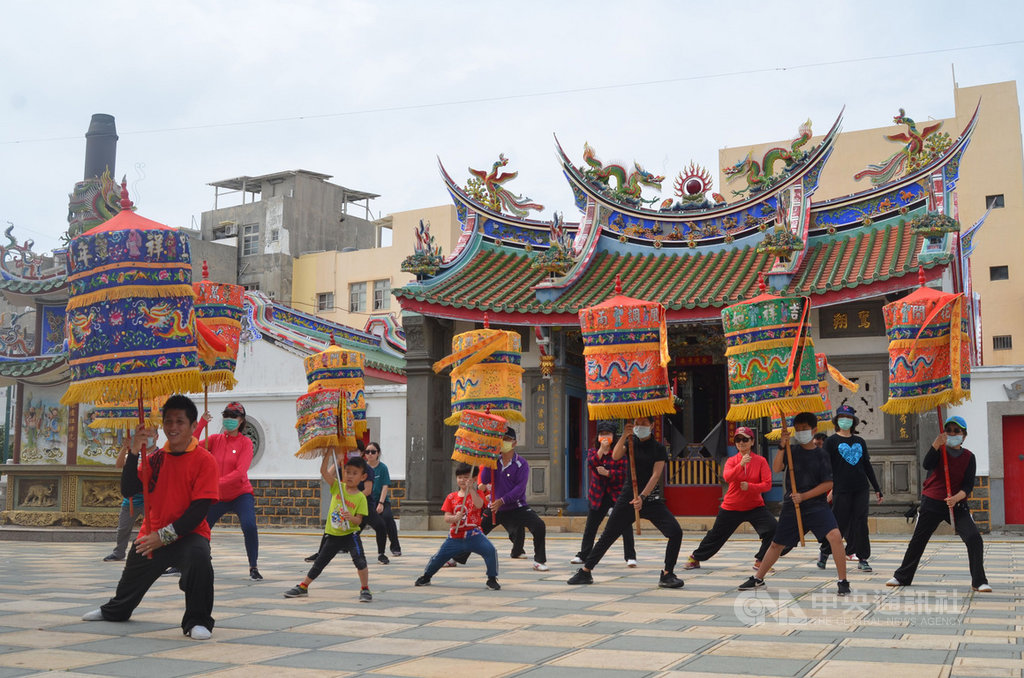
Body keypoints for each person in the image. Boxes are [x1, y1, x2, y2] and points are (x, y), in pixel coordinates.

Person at [82, 395, 220, 640]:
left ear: (192, 425)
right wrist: (134, 452)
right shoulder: (155, 459)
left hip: (189, 534)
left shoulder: (204, 460)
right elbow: (129, 489)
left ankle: (198, 620)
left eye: (180, 421)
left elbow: (199, 510)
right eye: (168, 421)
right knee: (131, 578)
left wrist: (164, 536)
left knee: (199, 558)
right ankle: (116, 610)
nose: (173, 427)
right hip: (152, 531)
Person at [737, 412, 850, 596]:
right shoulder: (792, 451)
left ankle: (843, 581)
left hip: (817, 505)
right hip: (792, 505)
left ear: (814, 430)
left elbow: (828, 484)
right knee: (776, 544)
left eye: (804, 429)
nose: (801, 432)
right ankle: (758, 578)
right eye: (797, 429)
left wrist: (804, 496)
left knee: (835, 536)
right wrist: (782, 446)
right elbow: (776, 468)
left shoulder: (822, 455)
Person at [567, 416, 685, 588]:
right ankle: (585, 571)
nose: (640, 426)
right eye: (637, 423)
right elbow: (615, 456)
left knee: (675, 532)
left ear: (652, 425)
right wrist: (624, 435)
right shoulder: (630, 443)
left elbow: (656, 476)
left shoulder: (658, 448)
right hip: (628, 497)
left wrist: (643, 497)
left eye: (644, 424)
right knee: (608, 535)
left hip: (650, 498)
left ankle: (667, 574)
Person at [887, 416, 991, 592]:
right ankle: (902, 576)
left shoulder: (969, 457)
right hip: (933, 501)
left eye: (956, 431)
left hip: (957, 504)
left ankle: (979, 581)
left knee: (974, 538)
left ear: (964, 435)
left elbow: (968, 485)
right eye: (949, 430)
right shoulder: (939, 450)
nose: (952, 434)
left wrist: (956, 498)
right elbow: (927, 464)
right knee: (919, 540)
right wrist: (935, 445)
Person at [685, 426, 789, 571]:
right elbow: (727, 477)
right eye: (738, 440)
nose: (741, 443)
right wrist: (740, 465)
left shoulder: (761, 461)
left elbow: (767, 485)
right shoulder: (731, 461)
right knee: (716, 535)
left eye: (745, 439)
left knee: (773, 529)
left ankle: (760, 560)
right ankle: (696, 557)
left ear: (752, 441)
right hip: (732, 506)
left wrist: (751, 487)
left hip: (755, 506)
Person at [285, 453, 373, 602]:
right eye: (348, 472)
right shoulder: (338, 488)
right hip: (333, 535)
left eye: (355, 473)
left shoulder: (360, 498)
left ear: (363, 477)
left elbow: (358, 520)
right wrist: (331, 458)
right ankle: (303, 586)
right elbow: (324, 472)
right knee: (320, 562)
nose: (350, 476)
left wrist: (350, 518)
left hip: (351, 535)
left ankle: (365, 588)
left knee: (360, 561)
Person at [195, 402, 262, 581]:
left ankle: (253, 566)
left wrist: (217, 482)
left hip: (240, 494)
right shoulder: (215, 440)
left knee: (249, 526)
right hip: (218, 496)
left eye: (233, 416)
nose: (229, 419)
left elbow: (240, 471)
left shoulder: (245, 443)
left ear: (241, 421)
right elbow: (191, 446)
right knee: (200, 527)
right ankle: (194, 560)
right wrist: (201, 424)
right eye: (226, 416)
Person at [817, 404, 883, 573]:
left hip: (860, 488)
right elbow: (825, 468)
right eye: (842, 418)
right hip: (841, 488)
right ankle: (825, 553)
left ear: (853, 421)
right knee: (838, 523)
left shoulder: (859, 441)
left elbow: (867, 466)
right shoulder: (831, 442)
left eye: (848, 418)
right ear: (837, 420)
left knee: (861, 523)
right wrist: (826, 488)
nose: (845, 421)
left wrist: (877, 488)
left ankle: (863, 558)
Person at [415, 463, 500, 590]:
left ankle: (492, 578)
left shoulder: (478, 494)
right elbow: (446, 517)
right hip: (455, 537)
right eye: (460, 477)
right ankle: (427, 576)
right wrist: (454, 518)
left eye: (466, 477)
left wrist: (471, 489)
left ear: (474, 479)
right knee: (439, 557)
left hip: (475, 535)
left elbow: (479, 505)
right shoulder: (451, 497)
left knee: (490, 551)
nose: (462, 480)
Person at [476, 427, 548, 571]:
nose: (503, 443)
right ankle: (456, 557)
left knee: (539, 525)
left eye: (507, 440)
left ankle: (539, 561)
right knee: (476, 532)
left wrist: (502, 500)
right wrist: (489, 460)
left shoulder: (521, 464)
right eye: (501, 439)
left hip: (517, 507)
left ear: (514, 443)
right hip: (494, 508)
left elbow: (519, 489)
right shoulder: (494, 461)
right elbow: (484, 480)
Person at [571, 421, 637, 567]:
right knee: (591, 526)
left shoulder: (620, 452)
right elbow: (591, 464)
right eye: (602, 434)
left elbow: (625, 473)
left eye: (608, 434)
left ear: (614, 435)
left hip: (617, 493)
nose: (605, 436)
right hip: (598, 494)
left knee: (625, 525)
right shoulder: (594, 451)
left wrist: (609, 473)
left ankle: (630, 557)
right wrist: (601, 449)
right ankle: (583, 554)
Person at [102, 441, 144, 562]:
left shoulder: (157, 454)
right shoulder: (132, 454)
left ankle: (157, 553)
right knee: (123, 528)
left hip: (149, 498)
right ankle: (119, 552)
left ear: (156, 436)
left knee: (153, 527)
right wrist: (125, 448)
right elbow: (119, 465)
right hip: (130, 499)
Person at [362, 442, 402, 564]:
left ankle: (395, 547)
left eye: (373, 452)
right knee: (358, 523)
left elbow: (385, 486)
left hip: (382, 500)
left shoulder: (383, 468)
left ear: (378, 453)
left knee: (387, 517)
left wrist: (381, 503)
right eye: (367, 451)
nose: (370, 454)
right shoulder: (362, 468)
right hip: (366, 501)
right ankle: (344, 545)